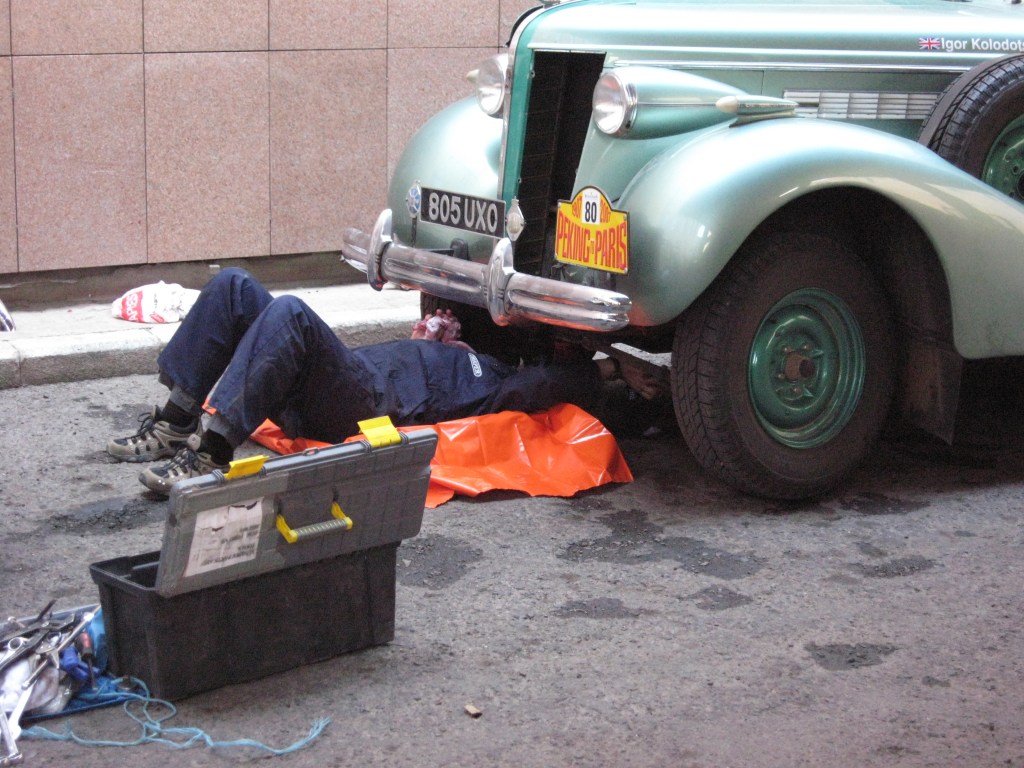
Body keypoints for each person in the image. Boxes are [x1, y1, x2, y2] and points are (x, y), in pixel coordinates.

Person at [107, 268, 663, 495]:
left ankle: (211, 451)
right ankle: (176, 420)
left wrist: (612, 368)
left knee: (292, 312)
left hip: (365, 405)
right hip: (339, 376)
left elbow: (549, 384)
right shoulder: (459, 350)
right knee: (233, 286)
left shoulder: (499, 385)